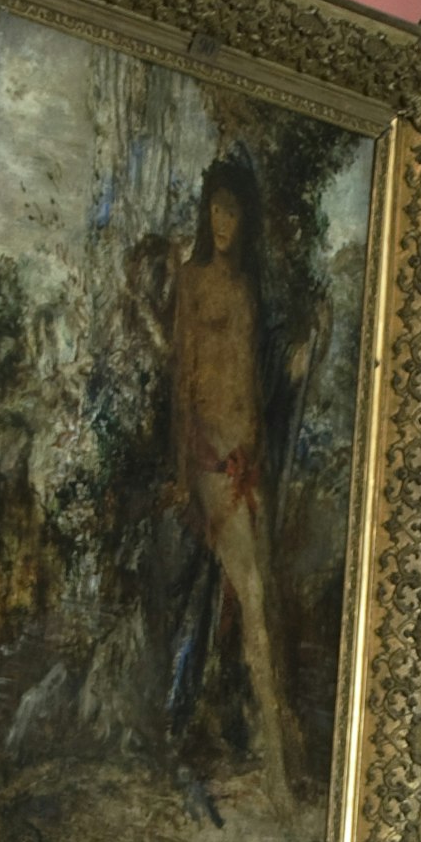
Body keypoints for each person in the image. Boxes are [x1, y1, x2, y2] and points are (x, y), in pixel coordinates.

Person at [165, 154, 296, 788]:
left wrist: (257, 458)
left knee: (249, 602)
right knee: (248, 601)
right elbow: (184, 381)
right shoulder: (192, 283)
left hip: (248, 465)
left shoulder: (247, 290)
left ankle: (257, 743)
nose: (223, 221)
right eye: (215, 208)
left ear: (245, 220)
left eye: (233, 210)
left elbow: (248, 378)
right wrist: (187, 468)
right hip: (210, 459)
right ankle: (275, 753)